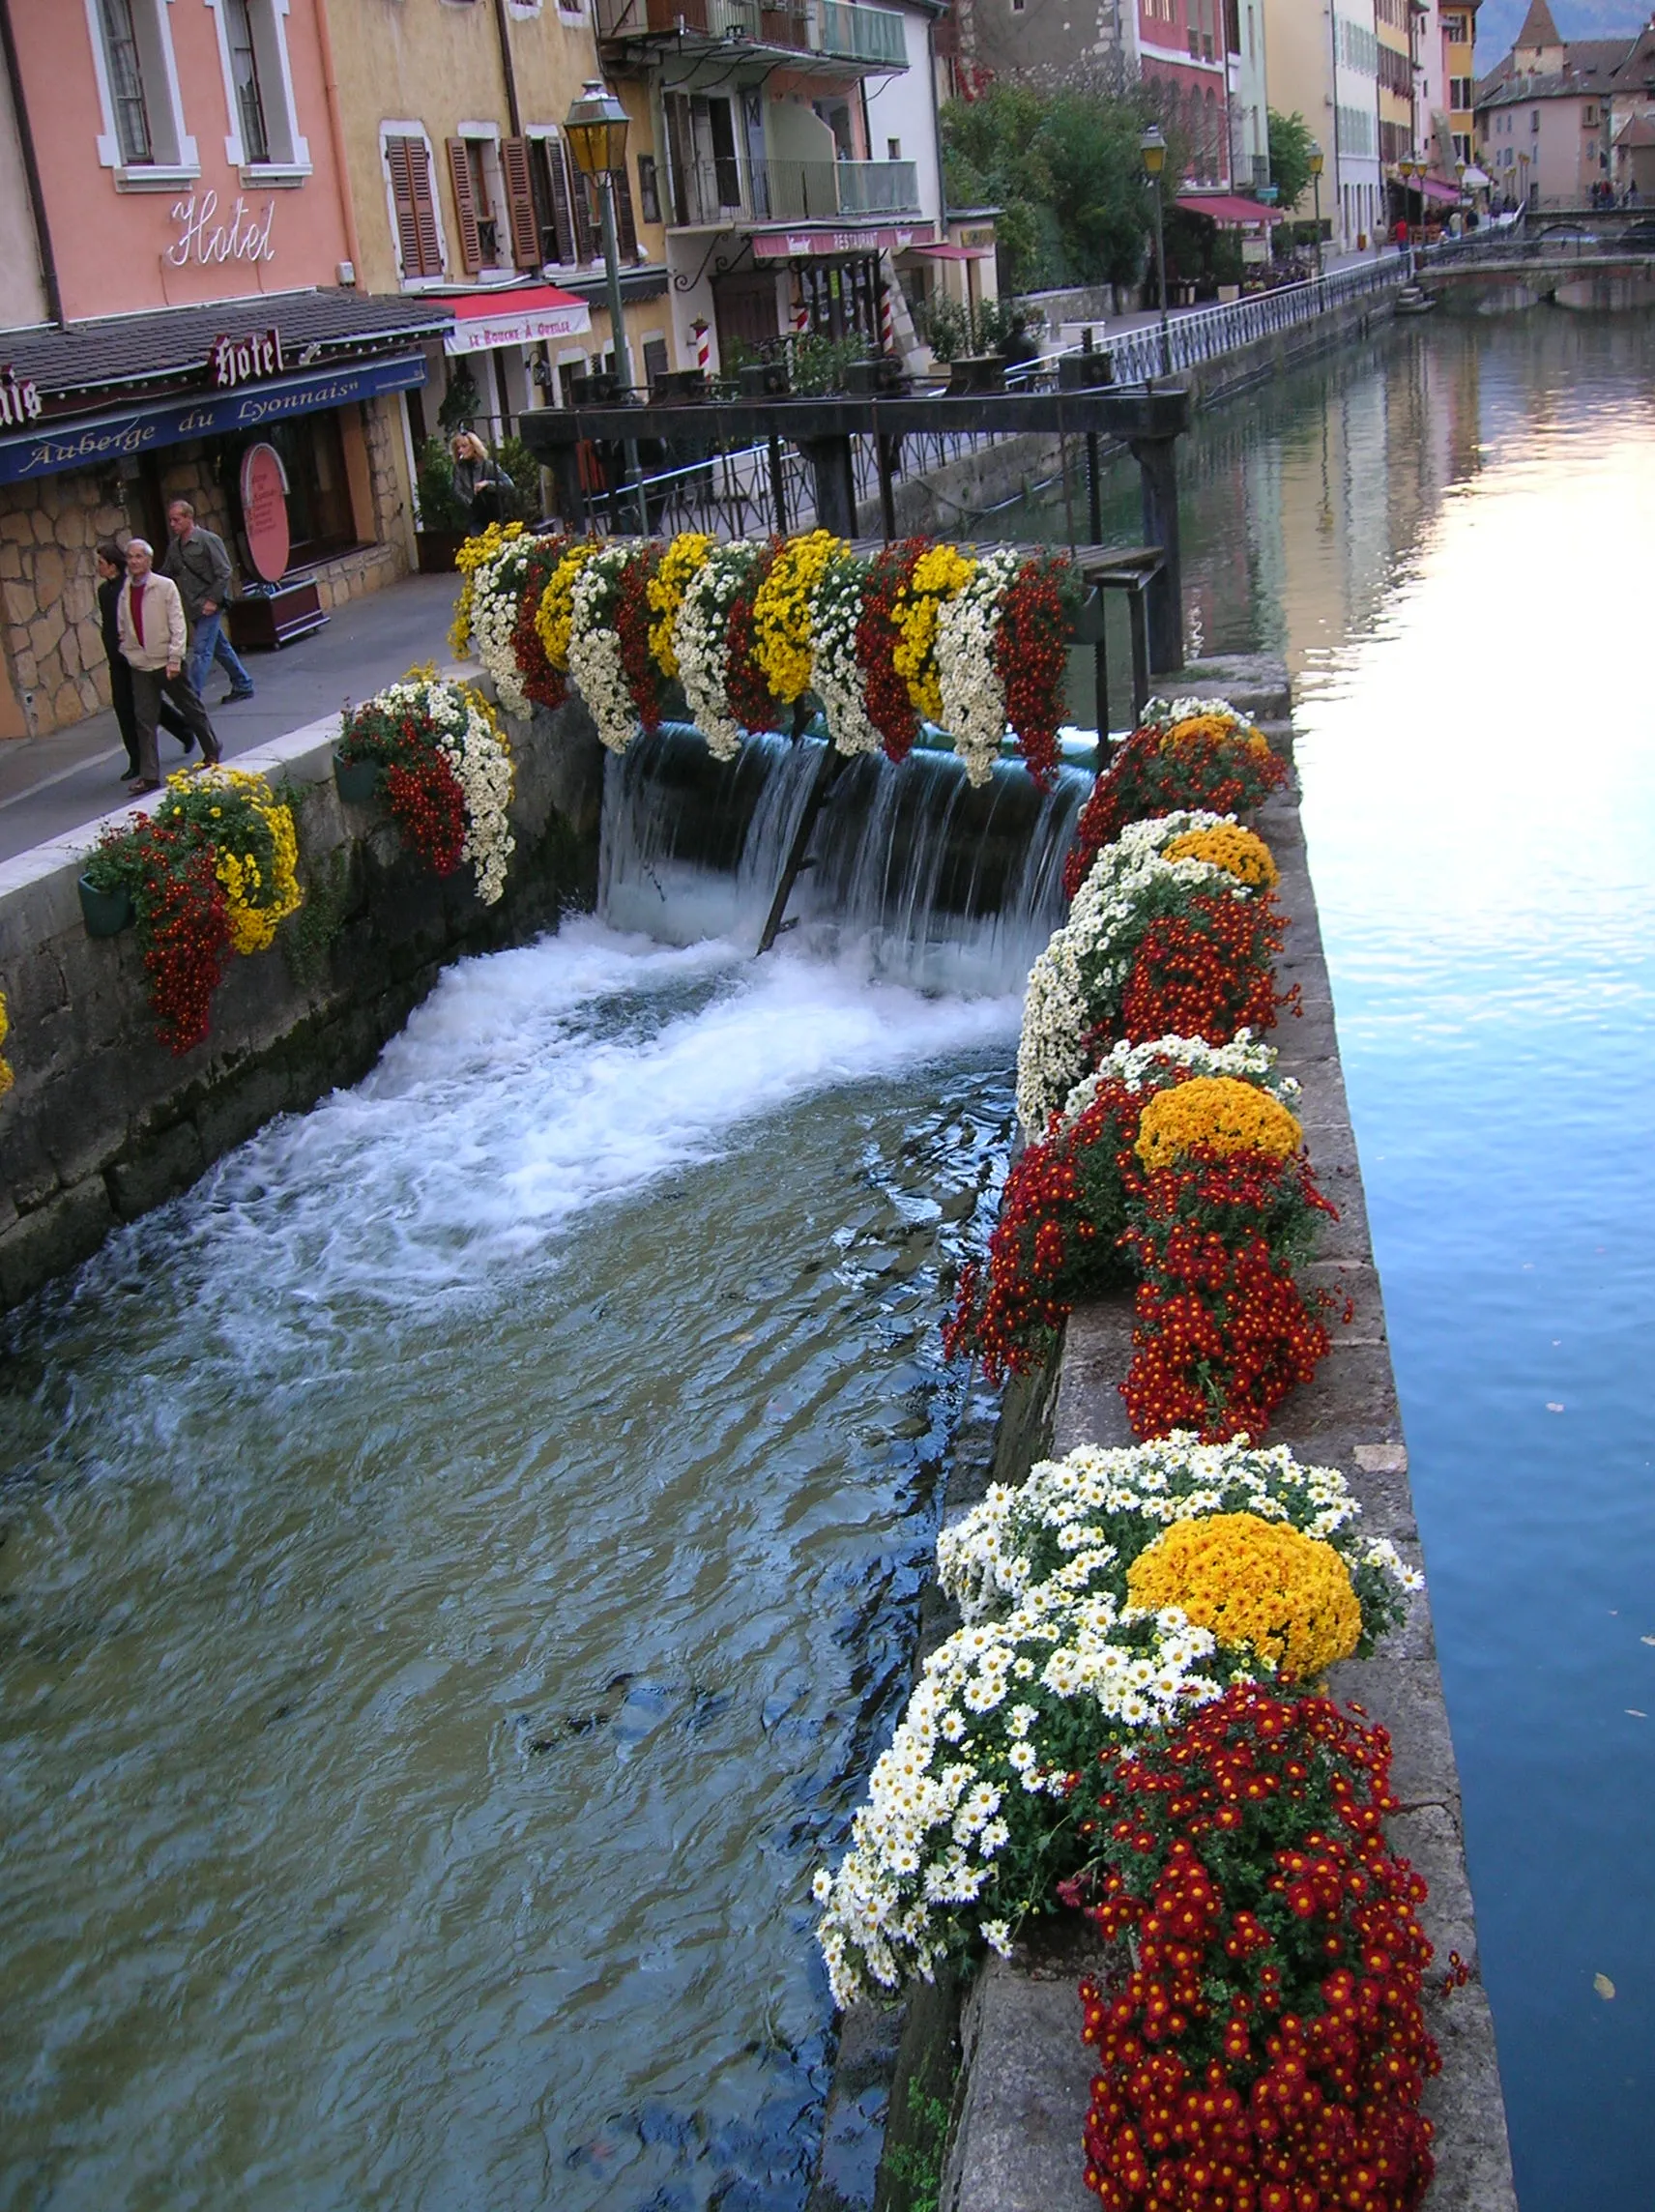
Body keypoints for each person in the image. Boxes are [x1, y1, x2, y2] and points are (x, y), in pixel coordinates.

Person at [116, 538, 221, 793]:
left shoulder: (165, 587)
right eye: (130, 557)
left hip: (166, 661)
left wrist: (175, 657)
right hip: (141, 664)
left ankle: (211, 748)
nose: (134, 561)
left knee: (190, 707)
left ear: (149, 560)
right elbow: (123, 625)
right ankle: (150, 775)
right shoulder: (126, 589)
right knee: (144, 718)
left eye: (139, 556)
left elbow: (178, 624)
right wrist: (128, 651)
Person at [96, 542, 194, 779]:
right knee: (124, 706)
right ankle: (136, 759)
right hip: (117, 657)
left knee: (145, 706)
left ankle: (182, 729)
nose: (98, 567)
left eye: (101, 563)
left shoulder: (127, 587)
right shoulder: (104, 591)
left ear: (112, 564)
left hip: (137, 655)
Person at [160, 498, 256, 706]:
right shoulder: (175, 548)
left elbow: (224, 572)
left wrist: (213, 600)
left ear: (188, 518)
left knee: (201, 650)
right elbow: (167, 573)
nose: (173, 525)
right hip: (193, 606)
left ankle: (191, 697)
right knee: (220, 647)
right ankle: (243, 683)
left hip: (209, 605)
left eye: (176, 520)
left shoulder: (207, 540)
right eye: (170, 520)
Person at [450, 432, 513, 529]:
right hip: (474, 519)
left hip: (493, 515)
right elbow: (457, 491)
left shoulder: (488, 465)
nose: (460, 450)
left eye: (464, 446)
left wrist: (487, 484)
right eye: (458, 448)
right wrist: (471, 504)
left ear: (474, 446)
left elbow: (509, 485)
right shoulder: (459, 468)